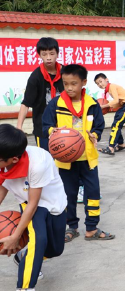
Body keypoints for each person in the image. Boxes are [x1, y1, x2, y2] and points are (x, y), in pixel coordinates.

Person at [42, 64, 115, 243]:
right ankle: (71, 227)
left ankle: (91, 228)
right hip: (65, 160)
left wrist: (95, 134)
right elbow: (45, 125)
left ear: (83, 82)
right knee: (68, 194)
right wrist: (53, 131)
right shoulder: (56, 103)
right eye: (66, 84)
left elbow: (99, 125)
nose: (69, 88)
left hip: (88, 159)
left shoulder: (91, 104)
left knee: (93, 193)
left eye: (74, 83)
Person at [0, 124, 67, 291]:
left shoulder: (37, 163)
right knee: (39, 240)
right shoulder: (4, 158)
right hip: (28, 202)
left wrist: (16, 236)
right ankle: (25, 287)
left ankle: (22, 255)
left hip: (50, 202)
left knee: (55, 250)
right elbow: (1, 189)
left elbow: (34, 202)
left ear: (14, 159)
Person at [16, 37, 64, 151]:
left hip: (64, 124)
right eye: (44, 54)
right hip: (43, 127)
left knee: (65, 161)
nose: (48, 58)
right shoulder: (36, 77)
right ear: (39, 55)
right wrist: (19, 127)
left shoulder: (66, 73)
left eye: (52, 53)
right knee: (45, 161)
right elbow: (26, 103)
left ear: (57, 53)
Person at [94, 73, 125, 155]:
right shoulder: (110, 89)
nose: (100, 84)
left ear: (106, 80)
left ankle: (111, 147)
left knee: (116, 125)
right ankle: (121, 144)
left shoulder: (111, 86)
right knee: (116, 124)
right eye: (97, 83)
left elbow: (116, 101)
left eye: (100, 81)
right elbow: (118, 102)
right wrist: (109, 107)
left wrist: (104, 106)